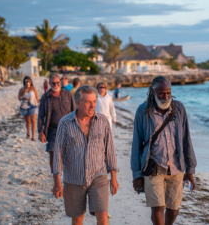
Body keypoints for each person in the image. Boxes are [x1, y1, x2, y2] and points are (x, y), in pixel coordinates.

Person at [131, 76, 197, 225]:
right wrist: (136, 174)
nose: (165, 96)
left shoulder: (179, 108)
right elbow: (136, 144)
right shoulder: (143, 111)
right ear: (152, 91)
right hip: (153, 167)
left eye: (168, 92)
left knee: (173, 208)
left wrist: (190, 170)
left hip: (176, 167)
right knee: (157, 208)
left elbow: (186, 139)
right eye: (161, 93)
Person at [52, 85, 119, 225]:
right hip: (74, 178)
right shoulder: (65, 123)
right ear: (78, 103)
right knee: (77, 219)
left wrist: (113, 177)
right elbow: (58, 152)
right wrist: (57, 182)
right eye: (88, 102)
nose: (92, 105)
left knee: (102, 215)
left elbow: (110, 150)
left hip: (98, 176)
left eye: (94, 102)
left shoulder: (103, 121)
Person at [38, 73, 76, 173]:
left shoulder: (67, 94)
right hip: (52, 129)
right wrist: (40, 132)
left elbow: (74, 111)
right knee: (53, 153)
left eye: (58, 82)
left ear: (60, 82)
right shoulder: (45, 97)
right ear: (49, 83)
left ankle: (67, 176)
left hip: (68, 128)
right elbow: (41, 115)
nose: (56, 85)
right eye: (53, 83)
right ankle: (55, 176)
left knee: (68, 153)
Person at [18, 76, 39, 140]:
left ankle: (33, 136)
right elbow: (19, 98)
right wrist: (23, 97)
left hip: (33, 105)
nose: (27, 83)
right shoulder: (22, 89)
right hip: (24, 105)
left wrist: (38, 103)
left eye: (29, 81)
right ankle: (28, 133)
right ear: (24, 82)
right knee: (28, 121)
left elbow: (37, 98)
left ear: (31, 82)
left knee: (33, 120)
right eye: (26, 81)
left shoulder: (33, 88)